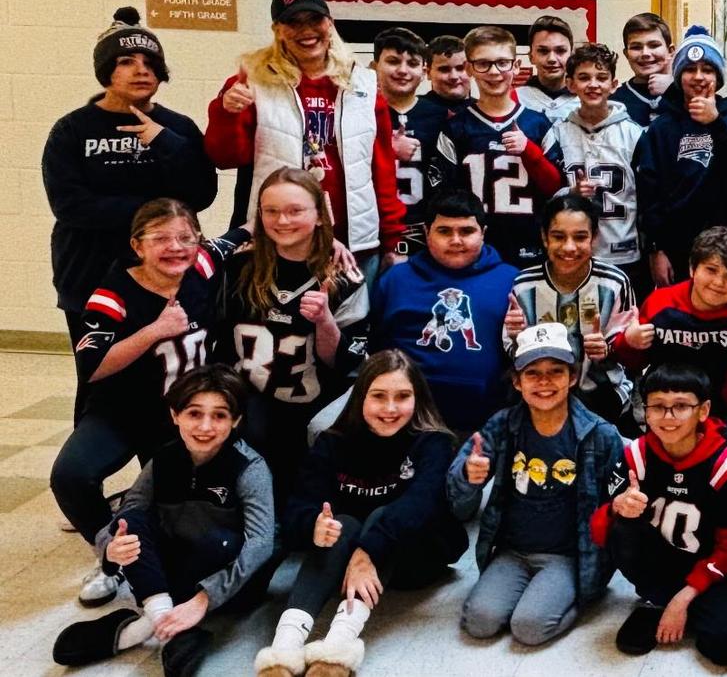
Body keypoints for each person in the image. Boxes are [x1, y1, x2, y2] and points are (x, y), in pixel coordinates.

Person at [52, 200, 249, 606]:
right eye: (160, 239)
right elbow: (92, 366)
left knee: (171, 512)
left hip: (180, 420)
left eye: (185, 237)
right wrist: (155, 330)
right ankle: (110, 554)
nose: (175, 247)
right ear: (137, 246)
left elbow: (242, 233)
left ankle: (143, 550)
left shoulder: (203, 266)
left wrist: (331, 244)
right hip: (121, 412)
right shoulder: (113, 293)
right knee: (71, 475)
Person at [253, 351, 467, 677]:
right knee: (340, 523)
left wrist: (368, 549)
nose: (391, 408)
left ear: (418, 399)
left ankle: (337, 651)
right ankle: (283, 652)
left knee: (384, 514)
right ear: (360, 398)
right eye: (378, 396)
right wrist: (314, 526)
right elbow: (298, 507)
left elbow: (420, 507)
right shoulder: (331, 442)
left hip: (416, 555)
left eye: (402, 397)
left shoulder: (433, 442)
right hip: (349, 555)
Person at [46, 6, 216, 413]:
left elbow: (201, 194)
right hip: (87, 273)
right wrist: (152, 216)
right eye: (126, 61)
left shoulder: (179, 128)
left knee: (168, 381)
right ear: (106, 71)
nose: (141, 70)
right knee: (97, 382)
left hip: (165, 276)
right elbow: (70, 205)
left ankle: (160, 473)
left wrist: (166, 143)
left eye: (150, 63)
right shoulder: (72, 130)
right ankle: (85, 466)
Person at [52, 366, 273, 676]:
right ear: (175, 415)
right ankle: (164, 616)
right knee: (131, 522)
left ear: (235, 421)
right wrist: (110, 549)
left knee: (217, 540)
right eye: (194, 414)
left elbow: (261, 544)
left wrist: (204, 599)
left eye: (220, 416)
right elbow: (130, 511)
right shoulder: (164, 460)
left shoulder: (250, 468)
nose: (205, 426)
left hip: (227, 578)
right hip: (173, 569)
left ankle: (144, 626)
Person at [206, 0, 406, 275]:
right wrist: (225, 113)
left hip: (354, 241)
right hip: (278, 240)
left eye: (314, 20)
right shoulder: (253, 80)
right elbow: (224, 157)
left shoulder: (362, 83)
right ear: (277, 30)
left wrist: (392, 238)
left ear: (330, 23)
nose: (306, 30)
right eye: (293, 22)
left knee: (352, 321)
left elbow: (383, 169)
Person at [448, 323, 625, 645]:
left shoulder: (600, 435)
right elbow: (457, 489)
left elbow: (621, 498)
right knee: (480, 622)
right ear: (517, 382)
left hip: (569, 554)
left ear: (572, 377)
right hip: (513, 551)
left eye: (556, 371)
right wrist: (468, 477)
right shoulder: (502, 425)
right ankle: (538, 592)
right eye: (532, 373)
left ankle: (578, 596)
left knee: (529, 628)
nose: (544, 383)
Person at [214, 168, 370, 506]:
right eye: (271, 211)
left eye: (295, 210)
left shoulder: (344, 275)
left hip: (313, 401)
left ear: (319, 215)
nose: (282, 221)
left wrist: (325, 321)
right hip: (251, 397)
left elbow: (346, 363)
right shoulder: (238, 266)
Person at [592, 364, 727, 664]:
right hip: (654, 561)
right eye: (658, 407)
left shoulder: (725, 465)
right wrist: (616, 507)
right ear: (646, 412)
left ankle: (675, 603)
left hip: (705, 567)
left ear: (703, 411)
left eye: (681, 406)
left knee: (726, 648)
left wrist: (685, 597)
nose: (668, 417)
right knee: (622, 526)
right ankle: (656, 598)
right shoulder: (635, 455)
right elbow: (599, 532)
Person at [615, 226, 727, 482]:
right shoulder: (659, 304)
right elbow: (632, 362)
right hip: (664, 404)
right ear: (692, 269)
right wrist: (629, 343)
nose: (718, 282)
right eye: (711, 270)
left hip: (718, 412)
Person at [367, 191, 518, 436]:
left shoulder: (511, 280)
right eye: (444, 231)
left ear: (483, 233)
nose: (456, 240)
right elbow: (374, 348)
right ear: (427, 233)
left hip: (485, 420)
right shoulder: (395, 280)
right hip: (405, 418)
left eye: (466, 231)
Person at [634, 25, 727, 287]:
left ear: (719, 76)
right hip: (677, 249)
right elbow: (649, 193)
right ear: (679, 76)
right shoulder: (661, 128)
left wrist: (716, 123)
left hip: (726, 245)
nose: (699, 77)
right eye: (690, 70)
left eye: (708, 69)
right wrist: (656, 248)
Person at [432, 25, 565, 268]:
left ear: (516, 66)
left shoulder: (536, 123)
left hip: (531, 247)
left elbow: (554, 187)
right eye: (483, 63)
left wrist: (528, 151)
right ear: (470, 69)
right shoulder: (456, 127)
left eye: (503, 62)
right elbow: (443, 196)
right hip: (473, 249)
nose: (494, 72)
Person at [504, 195, 639, 429]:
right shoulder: (524, 284)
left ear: (594, 238)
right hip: (543, 393)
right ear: (544, 238)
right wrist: (517, 338)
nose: (569, 247)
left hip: (602, 395)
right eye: (558, 237)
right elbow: (513, 352)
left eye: (580, 237)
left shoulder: (615, 282)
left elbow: (629, 353)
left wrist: (608, 349)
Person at [555, 43, 648, 281]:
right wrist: (571, 192)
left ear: (614, 85)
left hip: (624, 254)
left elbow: (650, 195)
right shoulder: (558, 132)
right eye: (584, 77)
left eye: (601, 77)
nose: (593, 84)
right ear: (570, 84)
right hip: (572, 253)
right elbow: (545, 191)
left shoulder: (633, 133)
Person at [375, 28, 443, 259]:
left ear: (423, 71)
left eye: (412, 63)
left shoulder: (440, 116)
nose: (403, 70)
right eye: (393, 61)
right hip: (375, 231)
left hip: (428, 230)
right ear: (375, 67)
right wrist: (387, 151)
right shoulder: (360, 113)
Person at [515, 15, 579, 123]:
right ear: (531, 57)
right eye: (543, 51)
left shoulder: (586, 100)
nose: (552, 59)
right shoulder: (515, 100)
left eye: (560, 50)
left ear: (571, 56)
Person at [614, 13, 674, 127]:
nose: (645, 53)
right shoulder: (613, 100)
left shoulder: (687, 95)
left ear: (670, 51)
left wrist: (674, 89)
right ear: (626, 54)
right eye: (636, 47)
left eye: (654, 45)